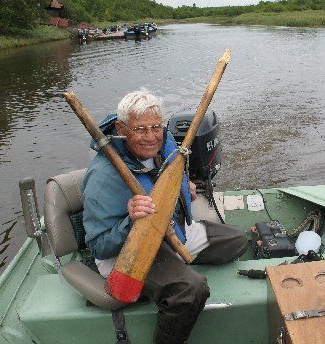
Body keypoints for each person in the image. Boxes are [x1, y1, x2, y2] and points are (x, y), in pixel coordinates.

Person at [81, 89, 247, 343]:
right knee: (190, 291)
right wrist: (130, 221)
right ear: (121, 128)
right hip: (130, 250)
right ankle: (175, 289)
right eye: (140, 130)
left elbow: (166, 183)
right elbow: (98, 246)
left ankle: (173, 271)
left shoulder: (164, 146)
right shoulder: (103, 178)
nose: (150, 137)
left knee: (238, 240)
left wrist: (183, 191)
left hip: (170, 234)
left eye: (155, 127)